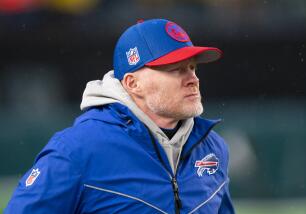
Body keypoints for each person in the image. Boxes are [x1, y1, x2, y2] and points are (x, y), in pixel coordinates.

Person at [5, 18, 235, 214]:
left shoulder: (212, 148)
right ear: (133, 84)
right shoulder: (78, 150)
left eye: (193, 67)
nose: (193, 79)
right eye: (176, 69)